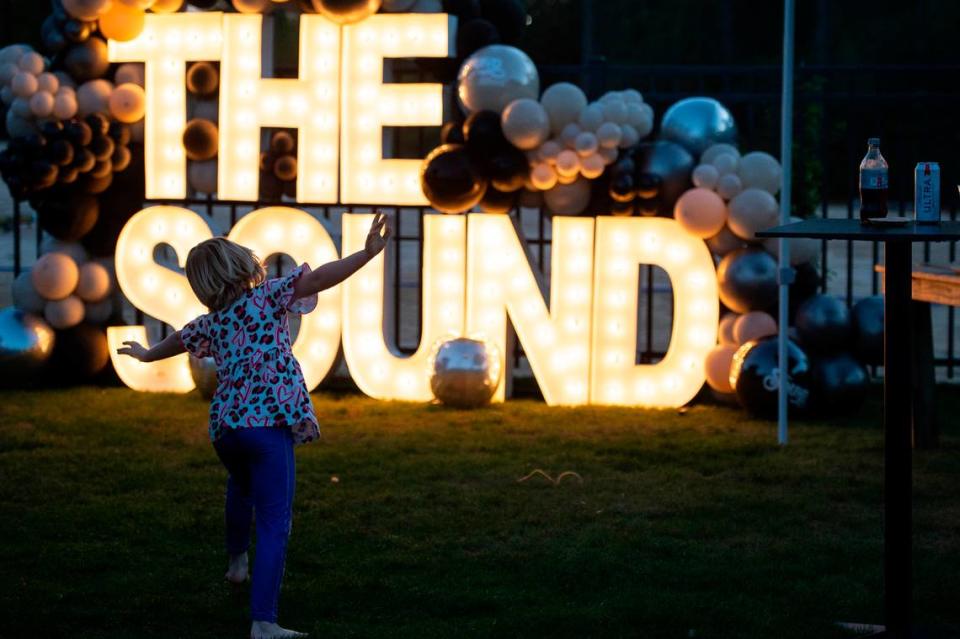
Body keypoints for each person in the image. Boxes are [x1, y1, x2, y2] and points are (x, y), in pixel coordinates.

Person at [116, 211, 391, 639]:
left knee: (241, 486)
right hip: (267, 425)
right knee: (275, 521)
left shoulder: (212, 322)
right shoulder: (270, 296)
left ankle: (236, 562)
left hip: (227, 430)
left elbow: (179, 340)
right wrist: (367, 254)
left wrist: (146, 355)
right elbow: (320, 279)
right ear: (243, 264)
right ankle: (263, 621)